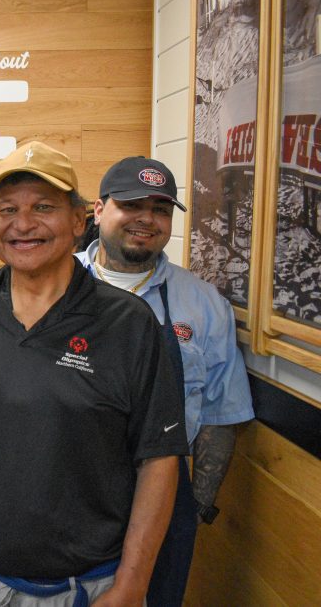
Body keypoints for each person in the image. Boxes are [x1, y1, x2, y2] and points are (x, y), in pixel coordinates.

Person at [0, 141, 189, 607]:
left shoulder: (130, 323)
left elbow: (159, 460)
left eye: (44, 207)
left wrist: (133, 582)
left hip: (89, 588)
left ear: (79, 220)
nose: (23, 224)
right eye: (8, 209)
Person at [78, 156, 254, 606]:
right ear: (98, 210)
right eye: (131, 204)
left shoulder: (202, 304)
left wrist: (191, 508)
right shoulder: (56, 283)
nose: (146, 218)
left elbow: (219, 414)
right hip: (66, 491)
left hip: (166, 497)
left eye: (159, 209)